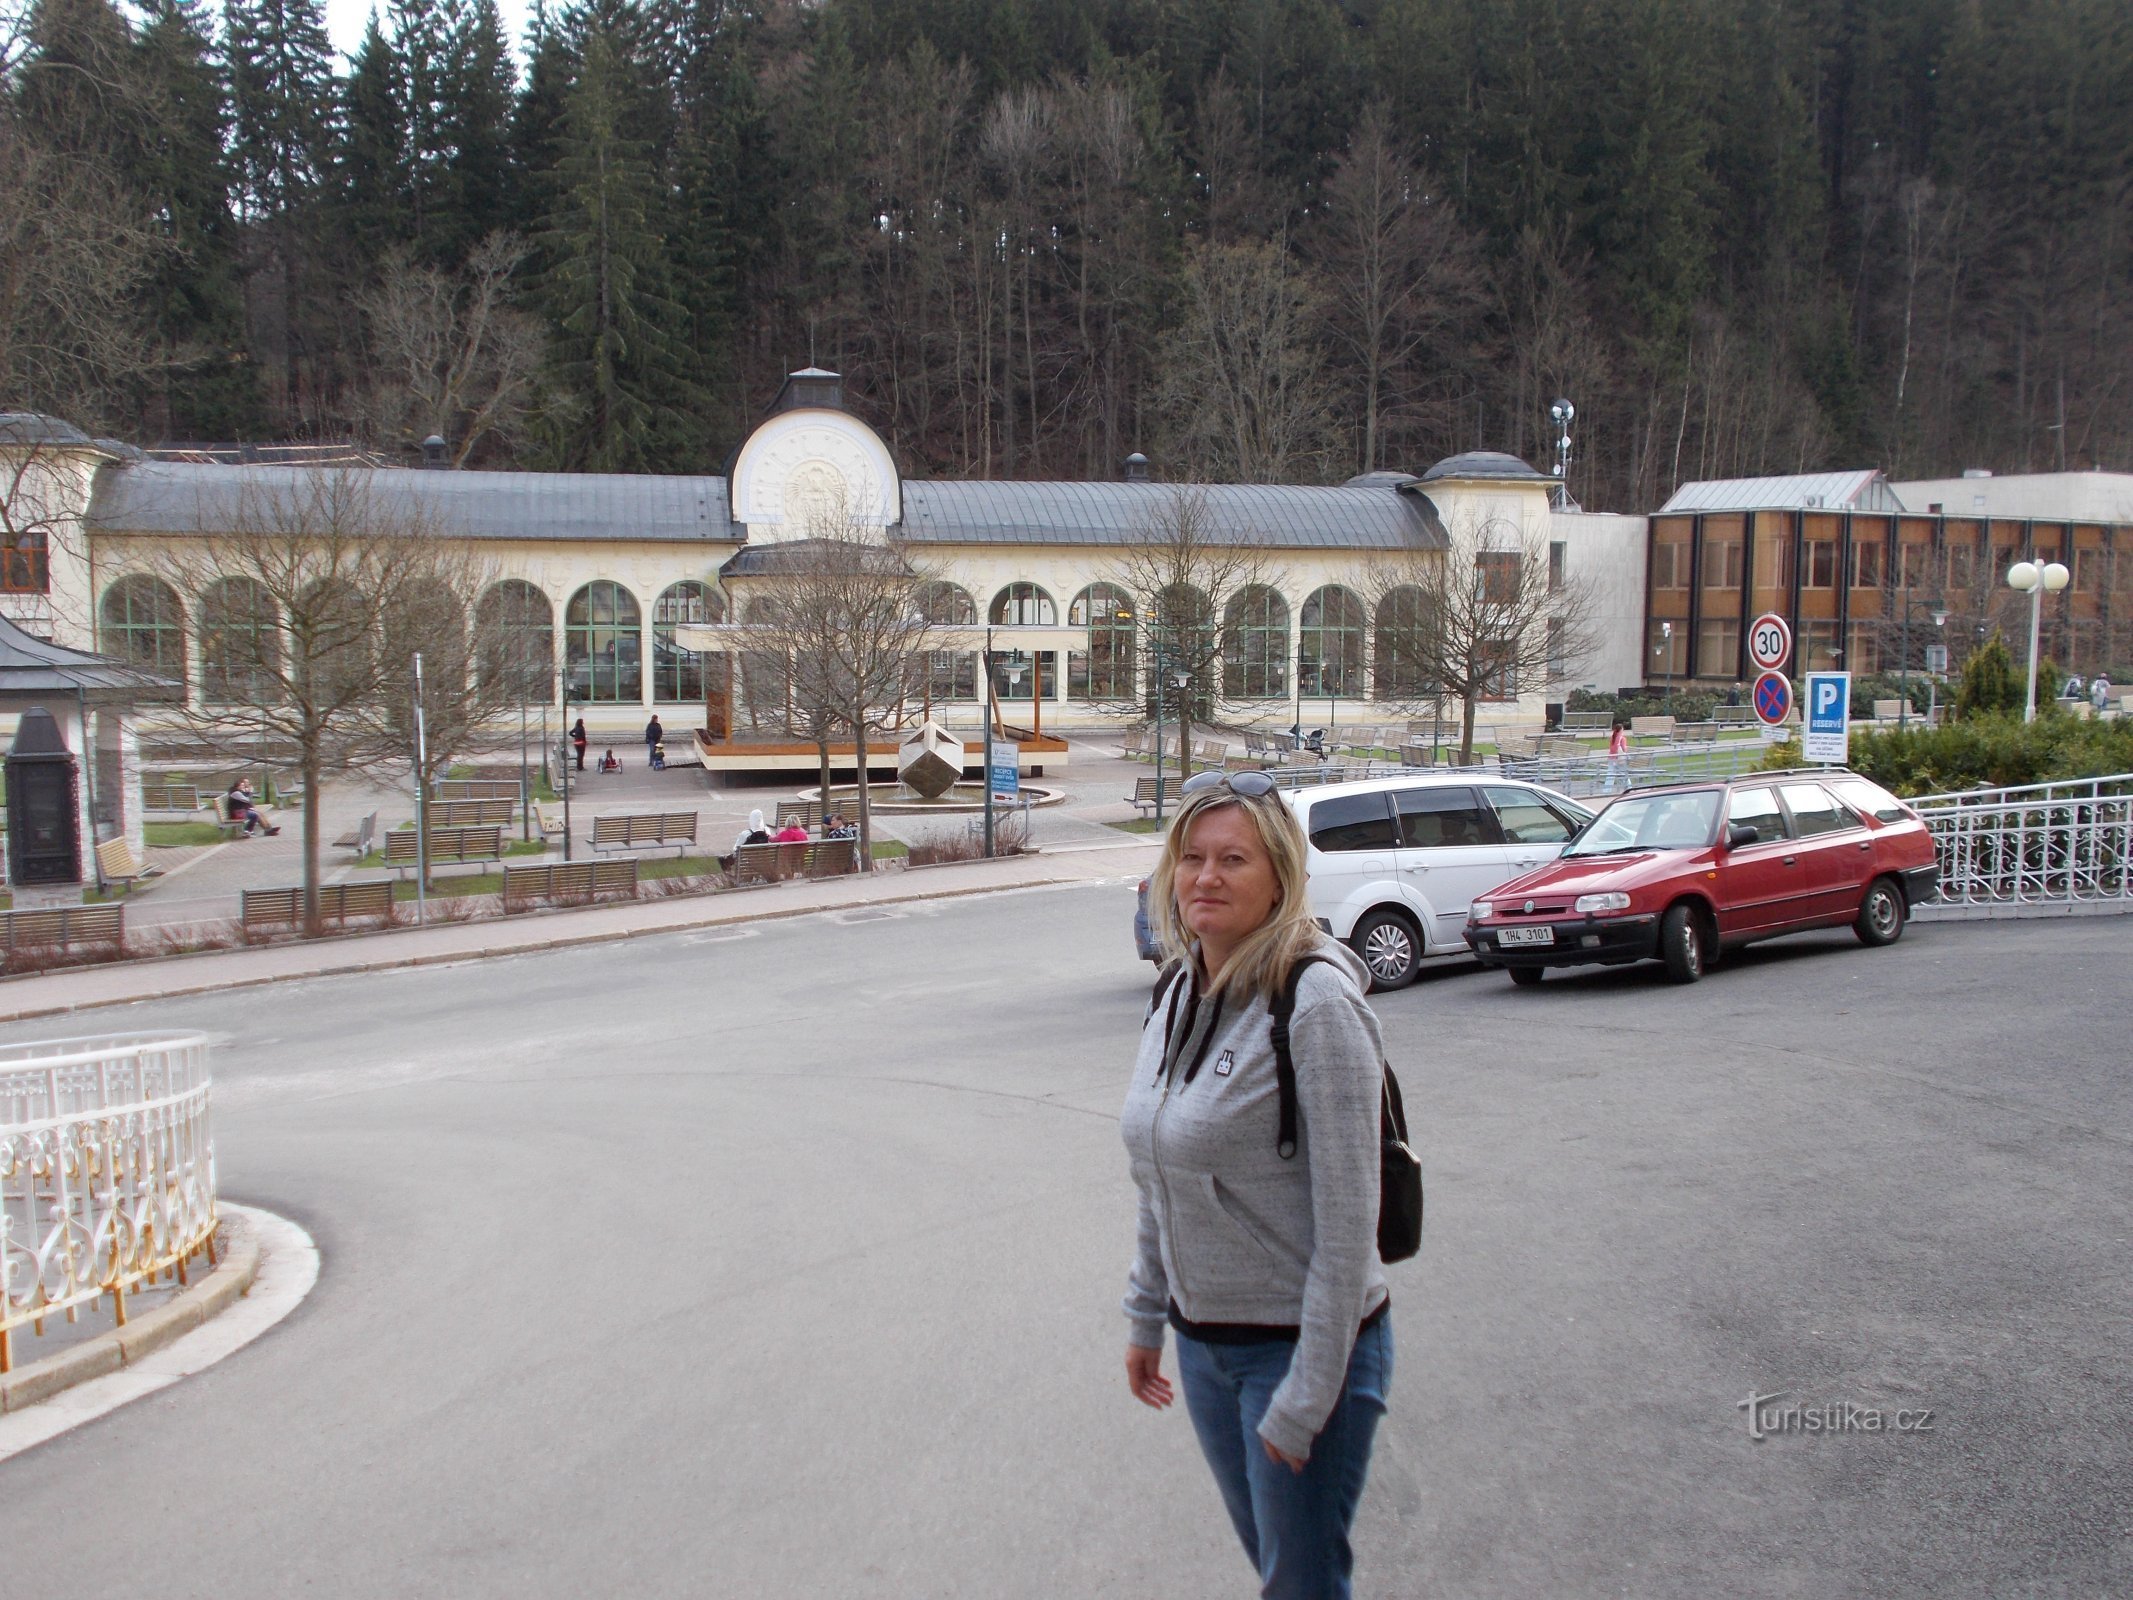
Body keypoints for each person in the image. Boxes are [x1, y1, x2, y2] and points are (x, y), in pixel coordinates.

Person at [1121, 768, 1393, 1600]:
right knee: (1280, 1572)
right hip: (1207, 1349)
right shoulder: (1177, 989)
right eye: (1191, 857)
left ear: (1280, 876)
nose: (1205, 877)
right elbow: (1158, 1169)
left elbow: (1351, 1221)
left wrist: (1310, 1393)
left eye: (1233, 859)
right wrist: (1145, 1314)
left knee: (1301, 1585)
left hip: (1302, 1351)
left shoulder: (1313, 1003)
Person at [1607, 720, 1629, 791]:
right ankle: (1629, 788)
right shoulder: (1622, 738)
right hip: (1619, 759)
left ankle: (1607, 790)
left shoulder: (1612, 738)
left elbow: (1611, 748)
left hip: (1611, 758)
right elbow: (1624, 749)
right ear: (1621, 730)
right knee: (1623, 774)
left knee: (1610, 775)